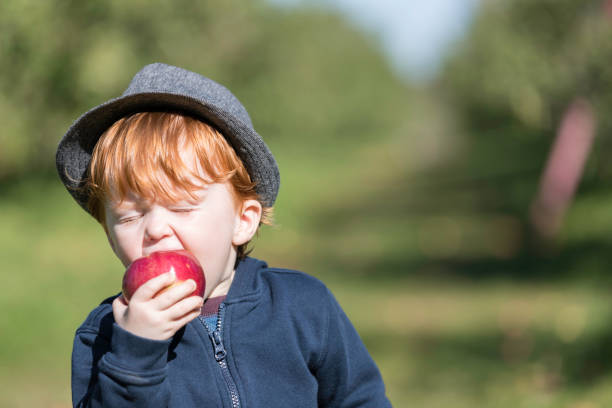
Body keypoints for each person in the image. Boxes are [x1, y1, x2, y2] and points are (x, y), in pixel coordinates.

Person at [57, 63, 391, 407]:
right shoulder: (105, 336)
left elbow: (360, 399)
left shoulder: (303, 307)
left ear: (242, 221)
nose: (155, 229)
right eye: (129, 216)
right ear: (110, 236)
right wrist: (136, 354)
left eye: (183, 207)